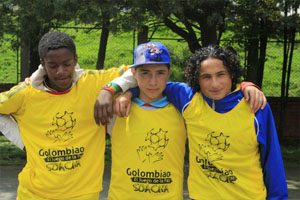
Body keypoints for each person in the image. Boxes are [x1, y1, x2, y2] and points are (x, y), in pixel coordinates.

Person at [135, 45, 287, 199]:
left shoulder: (254, 105)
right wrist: (122, 93)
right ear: (197, 79)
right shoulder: (188, 99)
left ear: (231, 74)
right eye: (206, 77)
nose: (215, 84)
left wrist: (247, 85)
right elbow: (148, 84)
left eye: (221, 74)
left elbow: (272, 160)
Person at [0, 31, 132, 200]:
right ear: (43, 64)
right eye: (53, 66)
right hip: (33, 194)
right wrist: (23, 141)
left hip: (84, 193)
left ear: (75, 60)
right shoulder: (25, 94)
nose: (61, 71)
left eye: (67, 64)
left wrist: (110, 91)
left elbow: (136, 72)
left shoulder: (94, 83)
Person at [105, 42, 187, 199]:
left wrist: (246, 86)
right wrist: (126, 92)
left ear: (169, 74)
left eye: (160, 73)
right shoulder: (116, 107)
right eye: (145, 73)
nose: (153, 82)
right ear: (133, 74)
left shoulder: (183, 110)